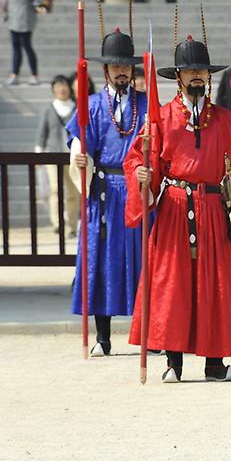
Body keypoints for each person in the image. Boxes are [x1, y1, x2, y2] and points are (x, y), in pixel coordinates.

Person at [123, 34, 231, 382]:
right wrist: (142, 173)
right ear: (178, 76)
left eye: (202, 71)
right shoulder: (161, 118)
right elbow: (139, 159)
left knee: (216, 284)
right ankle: (173, 360)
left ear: (209, 76)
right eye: (190, 70)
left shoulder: (225, 119)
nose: (197, 76)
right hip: (174, 208)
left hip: (212, 207)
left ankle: (214, 362)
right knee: (171, 283)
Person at [66, 28, 148, 357]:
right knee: (101, 260)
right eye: (114, 66)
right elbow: (76, 145)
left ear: (133, 69)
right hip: (102, 192)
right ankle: (103, 335)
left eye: (125, 65)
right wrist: (80, 159)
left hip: (137, 188)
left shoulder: (146, 104)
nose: (120, 71)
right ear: (105, 70)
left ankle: (149, 333)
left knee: (144, 259)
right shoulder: (92, 105)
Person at [35, 75, 79, 237]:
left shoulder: (77, 107)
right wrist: (38, 155)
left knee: (73, 191)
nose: (62, 88)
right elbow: (42, 134)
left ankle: (72, 226)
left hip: (72, 155)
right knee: (55, 189)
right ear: (53, 89)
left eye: (64, 85)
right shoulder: (48, 109)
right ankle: (57, 223)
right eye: (58, 85)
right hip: (51, 154)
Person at [5, 0, 45, 86]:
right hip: (14, 9)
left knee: (25, 43)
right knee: (16, 44)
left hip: (23, 9)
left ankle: (34, 74)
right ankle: (14, 74)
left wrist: (38, 1)